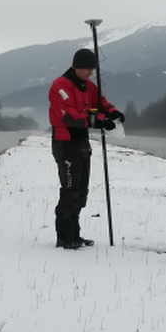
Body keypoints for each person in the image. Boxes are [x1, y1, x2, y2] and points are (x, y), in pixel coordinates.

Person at [48, 48, 125, 249]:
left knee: (81, 191)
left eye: (93, 69)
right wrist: (96, 121)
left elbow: (100, 102)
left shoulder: (87, 86)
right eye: (88, 69)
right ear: (77, 67)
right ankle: (64, 236)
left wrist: (112, 112)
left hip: (82, 143)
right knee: (70, 190)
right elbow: (68, 116)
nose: (91, 73)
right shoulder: (60, 86)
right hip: (65, 143)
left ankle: (75, 234)